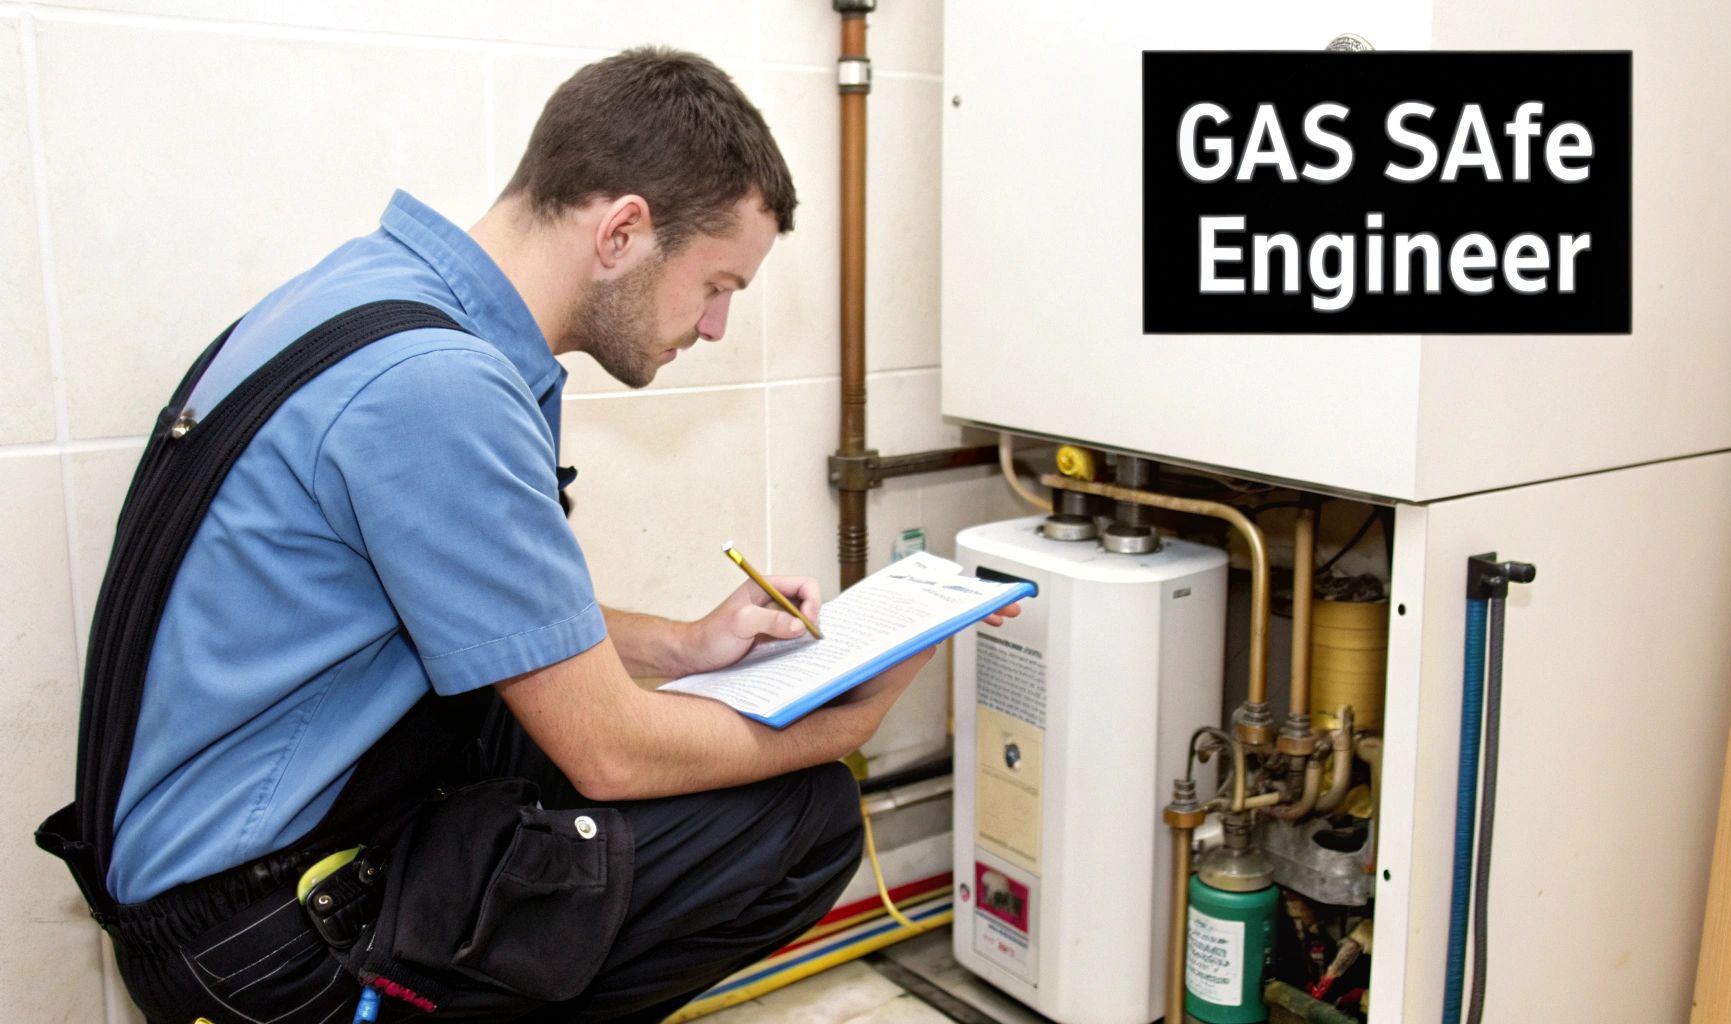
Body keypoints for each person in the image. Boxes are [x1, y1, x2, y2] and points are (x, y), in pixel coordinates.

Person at [54, 46, 1014, 1023]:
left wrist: (681, 645)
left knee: (576, 742)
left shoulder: (371, 297)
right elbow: (614, 753)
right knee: (795, 816)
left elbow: (467, 603)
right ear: (623, 231)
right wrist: (852, 715)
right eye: (716, 283)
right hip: (268, 943)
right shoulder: (438, 388)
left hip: (221, 881)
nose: (717, 326)